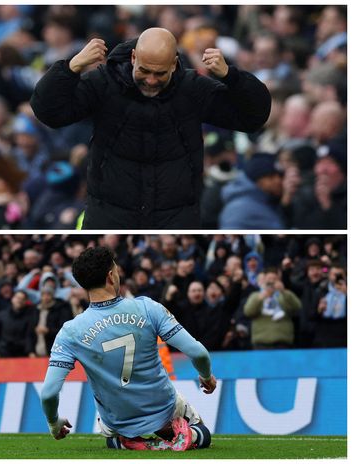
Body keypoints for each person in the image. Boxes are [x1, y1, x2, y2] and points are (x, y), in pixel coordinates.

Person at [30, 27, 271, 228]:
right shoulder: (104, 83)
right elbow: (49, 112)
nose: (151, 80)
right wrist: (71, 68)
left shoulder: (193, 89)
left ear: (174, 64)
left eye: (160, 73)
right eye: (144, 70)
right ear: (133, 57)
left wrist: (231, 76)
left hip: (175, 218)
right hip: (109, 215)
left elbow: (252, 118)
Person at [40, 246, 214, 451]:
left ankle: (125, 441)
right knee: (204, 434)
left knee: (109, 435)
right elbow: (198, 352)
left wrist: (54, 423)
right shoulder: (148, 308)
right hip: (162, 407)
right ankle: (189, 434)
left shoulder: (70, 332)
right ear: (111, 276)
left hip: (116, 419)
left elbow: (48, 393)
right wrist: (206, 375)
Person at [218, 153, 285, 229]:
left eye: (280, 176)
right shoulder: (239, 209)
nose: (278, 181)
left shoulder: (266, 200)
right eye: (270, 177)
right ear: (257, 181)